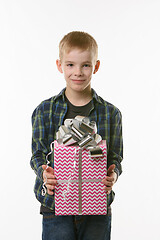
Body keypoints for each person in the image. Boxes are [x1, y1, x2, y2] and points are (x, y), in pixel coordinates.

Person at [30, 31, 123, 240]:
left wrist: (113, 174)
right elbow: (37, 155)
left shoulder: (111, 113)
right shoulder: (44, 111)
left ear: (96, 66)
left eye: (86, 65)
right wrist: (44, 174)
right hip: (55, 207)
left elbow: (115, 157)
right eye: (70, 64)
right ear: (59, 65)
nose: (78, 72)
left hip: (96, 208)